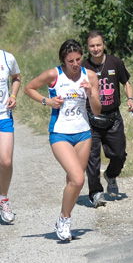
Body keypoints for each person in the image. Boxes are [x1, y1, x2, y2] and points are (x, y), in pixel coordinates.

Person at [24, 39, 101, 241]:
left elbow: (97, 109)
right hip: (60, 133)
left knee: (73, 182)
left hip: (83, 133)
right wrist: (46, 100)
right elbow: (28, 88)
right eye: (70, 61)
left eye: (78, 59)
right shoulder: (54, 75)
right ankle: (64, 219)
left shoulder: (89, 76)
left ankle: (64, 219)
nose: (75, 64)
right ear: (63, 61)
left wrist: (89, 93)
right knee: (78, 178)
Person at [82, 30, 133, 208]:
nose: (95, 49)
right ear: (87, 48)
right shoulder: (83, 67)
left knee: (119, 155)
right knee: (92, 158)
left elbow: (126, 82)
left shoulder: (115, 62)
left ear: (104, 44)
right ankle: (96, 193)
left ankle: (111, 175)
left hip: (113, 117)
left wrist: (130, 99)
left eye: (98, 45)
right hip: (91, 119)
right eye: (92, 46)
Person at [0, 49, 21, 224]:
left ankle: (3, 199)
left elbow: (16, 77)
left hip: (3, 117)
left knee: (6, 161)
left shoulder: (7, 58)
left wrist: (13, 95)